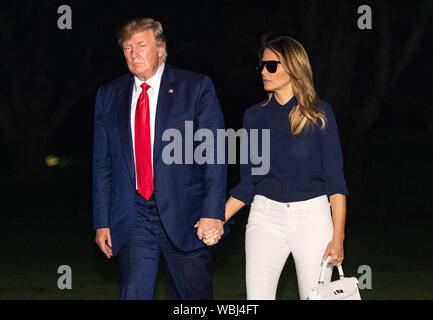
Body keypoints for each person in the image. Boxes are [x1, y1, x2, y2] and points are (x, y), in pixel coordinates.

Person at [203, 33, 349, 300]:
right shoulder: (254, 116)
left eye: (271, 66)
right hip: (265, 218)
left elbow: (335, 182)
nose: (263, 72)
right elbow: (248, 183)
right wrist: (216, 218)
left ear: (293, 68)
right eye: (261, 65)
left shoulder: (319, 114)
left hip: (313, 220)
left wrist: (338, 237)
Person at [92, 17, 227, 300]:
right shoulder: (109, 95)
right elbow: (102, 164)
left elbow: (214, 155)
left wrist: (213, 213)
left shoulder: (196, 87)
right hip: (133, 215)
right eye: (127, 47)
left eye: (141, 45)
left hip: (186, 213)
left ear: (161, 49)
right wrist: (102, 220)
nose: (133, 53)